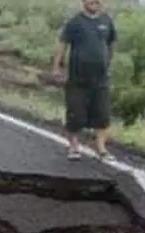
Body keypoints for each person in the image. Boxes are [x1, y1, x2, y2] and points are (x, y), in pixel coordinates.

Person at [51, 0, 117, 161]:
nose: (93, 2)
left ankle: (101, 148)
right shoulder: (75, 22)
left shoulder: (107, 21)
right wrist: (57, 67)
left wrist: (108, 64)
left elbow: (111, 43)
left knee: (103, 115)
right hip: (77, 78)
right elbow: (62, 44)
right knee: (76, 115)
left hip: (100, 79)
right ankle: (73, 146)